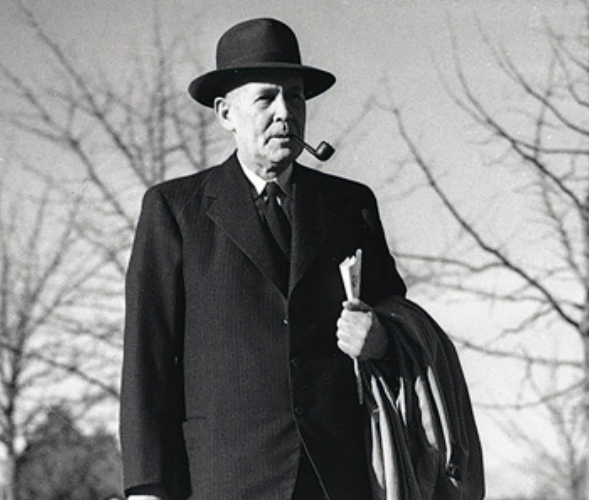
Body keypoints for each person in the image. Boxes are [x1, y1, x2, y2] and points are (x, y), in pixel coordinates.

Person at [121, 17, 408, 500]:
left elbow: (400, 320)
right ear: (225, 113)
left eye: (295, 97)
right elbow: (147, 358)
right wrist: (147, 487)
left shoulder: (350, 206)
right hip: (223, 481)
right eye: (265, 98)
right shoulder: (174, 210)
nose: (285, 113)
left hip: (337, 480)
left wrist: (380, 337)